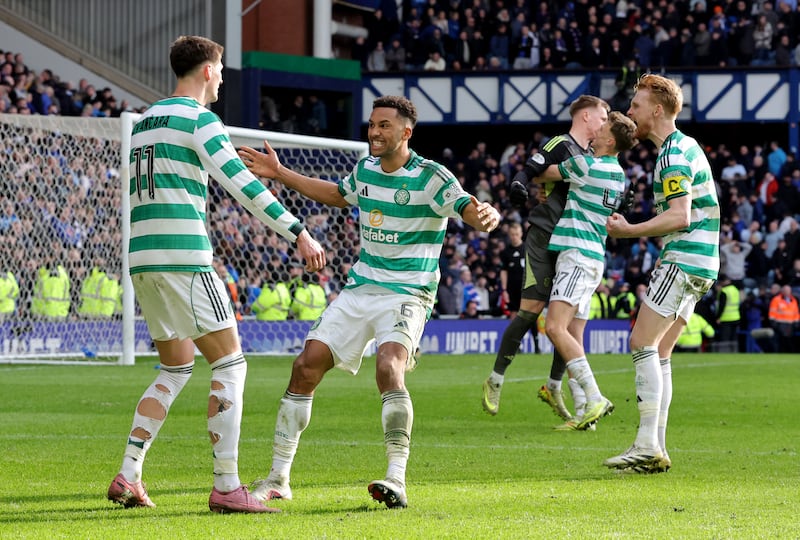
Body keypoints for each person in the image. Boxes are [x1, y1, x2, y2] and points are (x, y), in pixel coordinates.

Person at [238, 95, 501, 509]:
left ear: (406, 132)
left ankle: (396, 477)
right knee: (305, 366)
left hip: (408, 292)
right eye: (372, 124)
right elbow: (338, 195)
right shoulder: (364, 170)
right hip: (361, 288)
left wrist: (484, 214)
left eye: (384, 126)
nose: (374, 132)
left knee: (388, 365)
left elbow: (467, 206)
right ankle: (278, 478)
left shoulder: (432, 177)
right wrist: (280, 173)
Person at [106, 35, 326, 514]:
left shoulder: (145, 122)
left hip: (143, 258)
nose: (223, 77)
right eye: (221, 69)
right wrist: (298, 231)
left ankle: (128, 474)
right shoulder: (200, 119)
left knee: (174, 366)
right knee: (230, 363)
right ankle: (227, 484)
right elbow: (242, 185)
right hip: (184, 257)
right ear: (207, 70)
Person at [605, 74, 720, 473]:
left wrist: (628, 230)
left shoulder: (672, 153)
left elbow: (679, 215)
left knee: (640, 341)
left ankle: (645, 443)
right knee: (661, 351)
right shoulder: (684, 146)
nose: (630, 112)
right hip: (703, 261)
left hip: (685, 257)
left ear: (656, 109)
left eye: (635, 105)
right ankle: (656, 445)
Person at [481, 95, 609, 420]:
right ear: (585, 116)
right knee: (531, 311)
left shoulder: (590, 156)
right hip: (543, 237)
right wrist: (520, 185)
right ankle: (495, 379)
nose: (605, 121)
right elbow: (530, 169)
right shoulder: (561, 144)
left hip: (572, 245)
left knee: (562, 323)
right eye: (602, 115)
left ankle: (552, 387)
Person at [535, 111, 638, 430]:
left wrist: (541, 160)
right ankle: (584, 413)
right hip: (592, 255)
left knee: (554, 327)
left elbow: (544, 171)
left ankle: (594, 397)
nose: (595, 131)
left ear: (610, 140)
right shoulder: (617, 173)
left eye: (602, 127)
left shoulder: (586, 165)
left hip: (577, 255)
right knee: (574, 335)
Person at [768, 284, 800, 352]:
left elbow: (796, 313)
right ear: (782, 291)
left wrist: (796, 323)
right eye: (785, 290)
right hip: (779, 324)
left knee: (789, 343)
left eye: (788, 290)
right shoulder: (776, 300)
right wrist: (774, 323)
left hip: (790, 325)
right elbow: (772, 312)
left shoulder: (793, 300)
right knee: (779, 343)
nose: (787, 292)